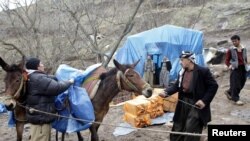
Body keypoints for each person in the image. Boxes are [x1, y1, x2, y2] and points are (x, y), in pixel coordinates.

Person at [159, 51, 218, 141]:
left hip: (196, 104)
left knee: (191, 128)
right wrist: (166, 92)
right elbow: (176, 86)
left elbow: (213, 86)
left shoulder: (202, 71)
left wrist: (204, 101)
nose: (180, 62)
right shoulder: (182, 72)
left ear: (190, 60)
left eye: (182, 60)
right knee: (178, 125)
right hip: (183, 103)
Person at [25, 57, 74, 141]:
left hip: (37, 117)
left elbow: (46, 80)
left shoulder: (31, 76)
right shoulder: (38, 78)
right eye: (41, 63)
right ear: (37, 67)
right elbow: (57, 88)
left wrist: (54, 78)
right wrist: (69, 82)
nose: (43, 65)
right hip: (41, 120)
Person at [224, 35, 248, 105]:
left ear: (239, 40)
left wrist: (247, 64)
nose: (234, 42)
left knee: (242, 82)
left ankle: (229, 92)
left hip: (243, 68)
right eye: (233, 41)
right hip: (235, 68)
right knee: (235, 84)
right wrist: (229, 65)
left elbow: (245, 58)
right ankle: (236, 99)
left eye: (235, 41)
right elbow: (227, 60)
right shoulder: (230, 50)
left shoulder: (244, 49)